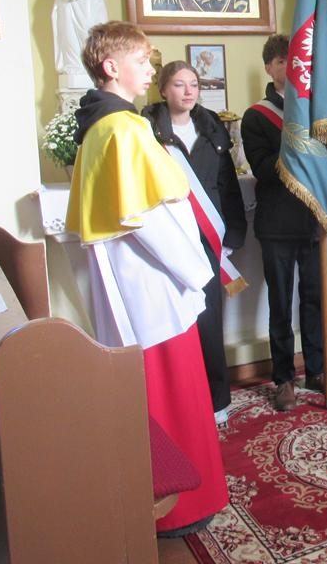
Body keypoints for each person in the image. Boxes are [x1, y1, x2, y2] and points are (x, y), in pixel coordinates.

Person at [65, 21, 227, 535]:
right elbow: (148, 218)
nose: (150, 70)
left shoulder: (98, 126)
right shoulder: (123, 128)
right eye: (142, 61)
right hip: (153, 284)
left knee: (148, 388)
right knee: (171, 391)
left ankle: (156, 499)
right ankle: (180, 506)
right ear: (111, 66)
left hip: (131, 282)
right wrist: (198, 272)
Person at [240, 34, 327, 412]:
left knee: (315, 301)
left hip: (313, 219)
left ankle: (316, 370)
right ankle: (284, 377)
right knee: (281, 303)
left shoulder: (317, 110)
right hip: (278, 223)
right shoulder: (256, 116)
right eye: (283, 60)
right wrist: (299, 144)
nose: (292, 65)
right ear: (270, 67)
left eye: (296, 59)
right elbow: (263, 169)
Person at [142, 61, 247, 426]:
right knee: (176, 319)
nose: (188, 91)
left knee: (209, 319)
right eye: (178, 84)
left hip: (208, 237)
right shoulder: (147, 129)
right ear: (162, 89)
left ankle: (216, 399)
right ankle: (179, 398)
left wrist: (232, 234)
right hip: (169, 238)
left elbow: (228, 184)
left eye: (194, 84)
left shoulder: (212, 127)